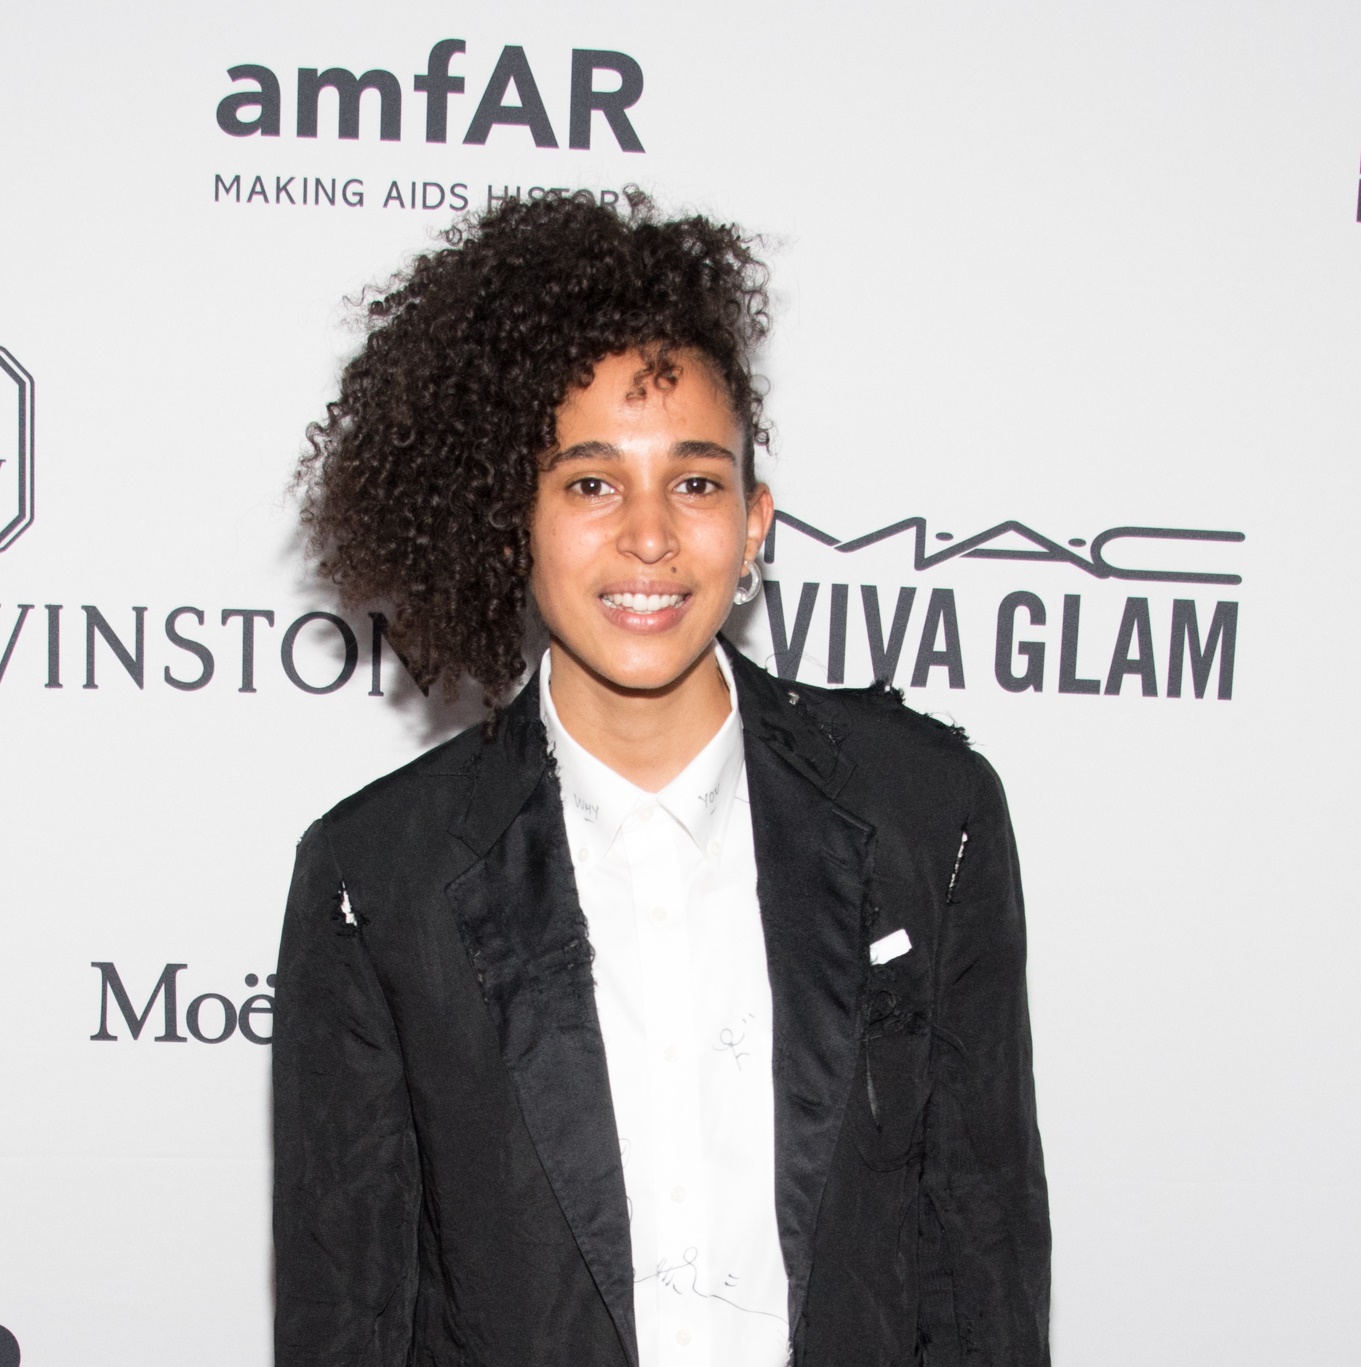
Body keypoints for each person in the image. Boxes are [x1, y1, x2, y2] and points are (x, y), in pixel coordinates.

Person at [274, 191, 1050, 1367]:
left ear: (754, 524)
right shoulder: (381, 878)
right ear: (512, 525)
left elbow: (981, 1262)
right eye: (589, 482)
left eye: (693, 481)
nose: (648, 535)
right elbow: (351, 1322)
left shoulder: (923, 818)